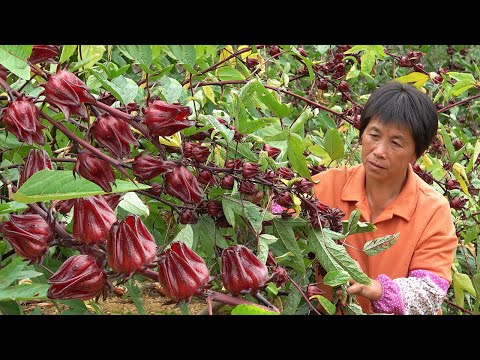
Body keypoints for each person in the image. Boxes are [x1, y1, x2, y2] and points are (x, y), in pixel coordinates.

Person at [311, 81, 458, 315]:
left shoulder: (433, 209)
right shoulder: (324, 187)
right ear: (362, 133)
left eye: (395, 143)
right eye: (374, 135)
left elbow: (430, 291)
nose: (379, 151)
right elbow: (280, 217)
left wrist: (377, 289)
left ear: (417, 153)